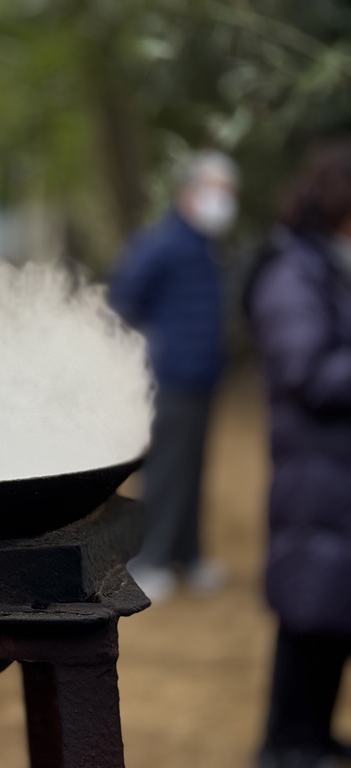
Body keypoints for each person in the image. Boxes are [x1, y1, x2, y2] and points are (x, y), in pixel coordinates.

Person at [247, 142, 351, 768]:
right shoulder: (293, 273)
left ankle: (312, 737)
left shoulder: (332, 268)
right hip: (317, 476)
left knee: (334, 610)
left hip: (339, 477)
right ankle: (286, 744)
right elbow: (307, 371)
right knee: (312, 614)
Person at [108, 150, 239, 602]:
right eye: (217, 190)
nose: (224, 200)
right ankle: (151, 559)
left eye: (229, 192)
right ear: (188, 193)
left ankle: (189, 556)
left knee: (194, 470)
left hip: (203, 377)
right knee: (166, 471)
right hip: (169, 378)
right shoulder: (161, 242)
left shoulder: (207, 246)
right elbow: (123, 297)